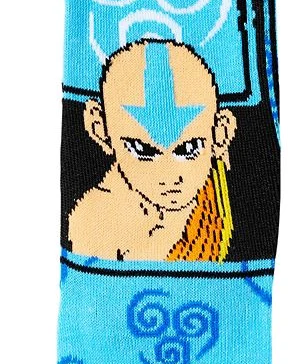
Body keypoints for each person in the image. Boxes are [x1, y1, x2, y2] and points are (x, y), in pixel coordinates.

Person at [68, 40, 237, 261]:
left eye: (189, 148)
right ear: (100, 128)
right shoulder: (95, 220)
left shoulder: (219, 199)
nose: (169, 176)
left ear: (221, 133)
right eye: (142, 150)